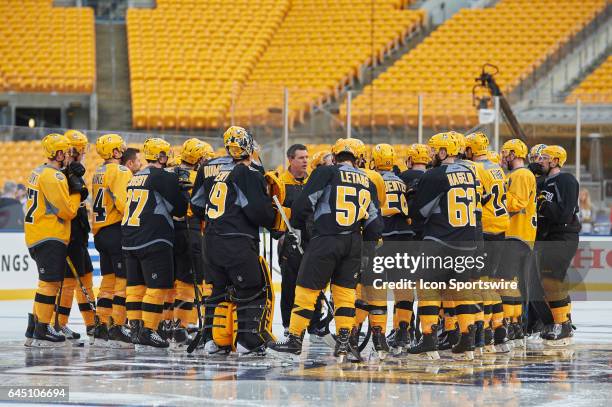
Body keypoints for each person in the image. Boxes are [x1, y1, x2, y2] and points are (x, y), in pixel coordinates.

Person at [269, 138, 383, 362]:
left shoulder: (326, 173)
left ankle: (294, 339)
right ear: (357, 157)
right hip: (353, 242)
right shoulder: (367, 181)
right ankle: (344, 341)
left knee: (306, 289)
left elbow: (303, 205)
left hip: (326, 239)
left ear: (336, 154)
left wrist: (305, 229)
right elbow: (375, 224)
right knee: (344, 293)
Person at [202, 127, 277, 355]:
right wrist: (272, 206)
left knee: (220, 290)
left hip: (211, 241)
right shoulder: (247, 173)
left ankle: (216, 341)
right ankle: (247, 341)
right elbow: (258, 213)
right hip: (236, 241)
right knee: (252, 288)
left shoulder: (216, 173)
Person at [408, 132, 479, 360]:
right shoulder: (469, 173)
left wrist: (412, 198)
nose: (430, 154)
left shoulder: (435, 175)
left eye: (433, 149)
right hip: (467, 238)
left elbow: (420, 213)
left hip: (441, 238)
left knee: (426, 285)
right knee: (460, 288)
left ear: (443, 151)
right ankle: (467, 334)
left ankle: (429, 337)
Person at [122, 138, 189, 348]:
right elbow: (178, 209)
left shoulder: (135, 176)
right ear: (160, 156)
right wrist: (180, 189)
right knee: (158, 286)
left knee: (135, 286)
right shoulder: (161, 176)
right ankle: (149, 330)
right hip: (154, 237)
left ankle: (135, 329)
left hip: (129, 237)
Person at [23, 134, 81, 347]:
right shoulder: (53, 177)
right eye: (66, 153)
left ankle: (35, 327)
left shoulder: (37, 171)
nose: (68, 157)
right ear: (58, 154)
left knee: (45, 283)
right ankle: (43, 328)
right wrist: (77, 193)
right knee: (50, 284)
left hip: (38, 233)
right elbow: (67, 211)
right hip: (49, 233)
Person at [465, 132, 509, 353]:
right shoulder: (496, 167)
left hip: (487, 228)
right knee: (492, 283)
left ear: (471, 149)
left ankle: (484, 333)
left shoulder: (476, 169)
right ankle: (498, 331)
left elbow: (477, 199)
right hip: (501, 227)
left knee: (480, 284)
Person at [52, 130, 97, 344]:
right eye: (78, 149)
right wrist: (70, 173)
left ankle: (92, 323)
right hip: (67, 230)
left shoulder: (72, 170)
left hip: (78, 229)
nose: (81, 153)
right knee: (68, 281)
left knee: (86, 275)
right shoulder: (59, 171)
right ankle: (58, 324)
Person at [368, 143, 412, 358]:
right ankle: (403, 332)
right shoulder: (401, 180)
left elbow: (375, 210)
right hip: (405, 238)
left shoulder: (375, 179)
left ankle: (379, 335)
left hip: (384, 238)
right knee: (403, 289)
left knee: (377, 289)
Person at [167, 138, 211, 348]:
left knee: (172, 281)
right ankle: (184, 325)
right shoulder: (197, 176)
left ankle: (168, 323)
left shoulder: (170, 171)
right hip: (190, 228)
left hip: (169, 230)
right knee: (190, 280)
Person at [91, 133, 132, 347]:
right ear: (114, 151)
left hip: (100, 232)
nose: (122, 150)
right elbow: (123, 203)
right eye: (119, 148)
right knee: (122, 281)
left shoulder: (98, 171)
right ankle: (117, 326)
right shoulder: (120, 170)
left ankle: (101, 326)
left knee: (107, 281)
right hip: (116, 229)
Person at [537, 145, 580, 346]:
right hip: (549, 236)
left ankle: (562, 324)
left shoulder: (566, 180)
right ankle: (563, 321)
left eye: (545, 157)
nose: (540, 161)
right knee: (548, 281)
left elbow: (565, 213)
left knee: (552, 280)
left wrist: (545, 204)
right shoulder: (544, 182)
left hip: (563, 235)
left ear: (555, 160)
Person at [497, 139, 538, 349]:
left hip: (517, 234)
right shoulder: (517, 175)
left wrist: (495, 198)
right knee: (512, 283)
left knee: (510, 282)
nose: (503, 157)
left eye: (506, 153)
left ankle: (515, 324)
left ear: (514, 154)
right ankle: (515, 324)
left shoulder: (521, 174)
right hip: (517, 235)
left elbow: (517, 202)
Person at [276, 144, 309, 335]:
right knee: (289, 284)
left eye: (306, 157)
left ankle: (313, 323)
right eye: (301, 158)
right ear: (290, 159)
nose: (305, 161)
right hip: (289, 240)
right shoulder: (281, 183)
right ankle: (289, 325)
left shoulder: (312, 181)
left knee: (312, 283)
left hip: (311, 239)